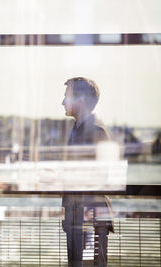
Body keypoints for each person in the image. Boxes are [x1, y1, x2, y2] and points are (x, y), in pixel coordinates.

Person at [61, 77, 114, 267]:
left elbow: (103, 177)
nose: (62, 102)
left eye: (66, 97)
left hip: (90, 217)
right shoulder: (77, 129)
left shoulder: (96, 131)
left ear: (80, 100)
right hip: (78, 218)